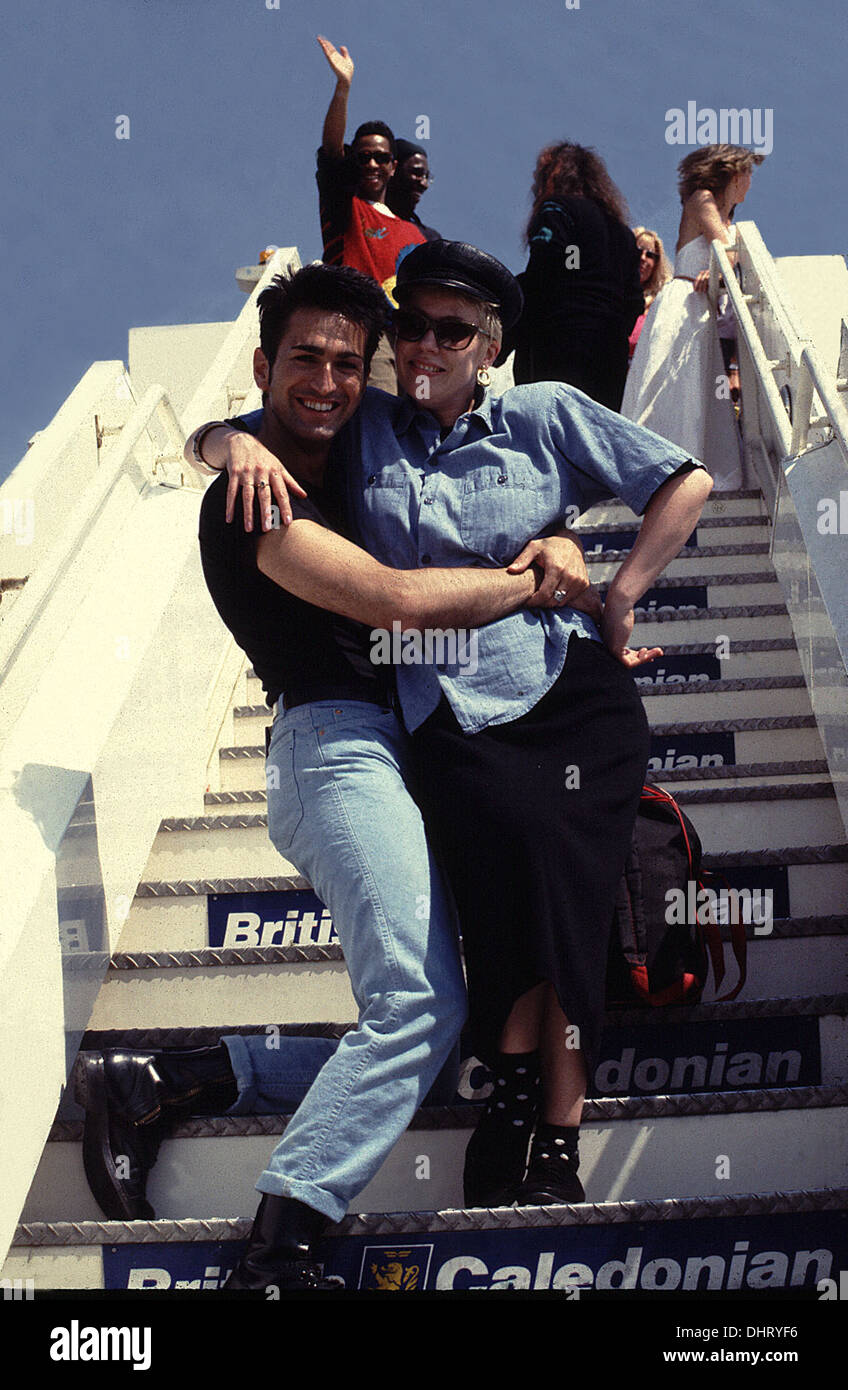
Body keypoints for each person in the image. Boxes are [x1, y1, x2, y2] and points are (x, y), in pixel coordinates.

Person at [77, 262, 593, 1291]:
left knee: (435, 1045)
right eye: (303, 357)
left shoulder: (340, 456)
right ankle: (281, 1240)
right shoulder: (250, 496)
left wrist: (218, 431)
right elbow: (396, 598)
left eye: (347, 362)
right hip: (332, 748)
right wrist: (531, 579)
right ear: (262, 365)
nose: (324, 378)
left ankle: (182, 1075)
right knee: (411, 1008)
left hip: (400, 752)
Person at [202, 240, 713, 1215]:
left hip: (567, 700)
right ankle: (510, 1099)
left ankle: (554, 1139)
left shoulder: (543, 412)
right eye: (412, 325)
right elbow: (252, 429)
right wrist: (229, 444)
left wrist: (620, 593)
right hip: (444, 717)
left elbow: (682, 480)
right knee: (500, 921)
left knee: (568, 917)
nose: (427, 342)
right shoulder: (366, 431)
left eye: (454, 328)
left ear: (489, 345)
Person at [622, 144, 764, 490]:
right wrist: (718, 270)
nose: (751, 182)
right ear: (732, 172)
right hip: (683, 302)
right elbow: (726, 253)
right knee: (669, 386)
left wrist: (717, 273)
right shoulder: (702, 200)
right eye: (748, 172)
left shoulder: (729, 218)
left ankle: (690, 479)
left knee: (696, 393)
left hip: (702, 309)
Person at [315, 35, 426, 393]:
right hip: (362, 330)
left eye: (381, 158)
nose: (372, 164)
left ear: (394, 166)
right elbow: (331, 151)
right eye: (363, 157)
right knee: (382, 414)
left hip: (412, 341)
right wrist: (342, 88)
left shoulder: (415, 234)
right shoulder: (344, 207)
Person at [501, 142, 644, 410]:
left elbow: (544, 271)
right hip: (609, 357)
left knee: (551, 432)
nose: (535, 187)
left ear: (552, 177)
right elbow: (634, 301)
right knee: (594, 439)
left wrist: (505, 337)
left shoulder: (557, 208)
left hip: (561, 346)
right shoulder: (623, 233)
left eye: (540, 178)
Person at [628, 226, 672, 359]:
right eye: (638, 251)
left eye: (650, 255)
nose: (643, 258)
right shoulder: (609, 292)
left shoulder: (661, 302)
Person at [386, 139, 440, 241]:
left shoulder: (430, 238)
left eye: (426, 177)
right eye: (417, 173)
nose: (424, 184)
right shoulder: (361, 216)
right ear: (393, 169)